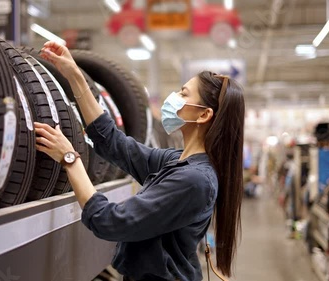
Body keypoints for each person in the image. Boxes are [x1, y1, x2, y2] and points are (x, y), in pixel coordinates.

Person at [35, 41, 245, 281]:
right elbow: (114, 143)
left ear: (204, 114)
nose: (173, 98)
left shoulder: (194, 180)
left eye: (183, 94)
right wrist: (74, 76)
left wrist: (70, 159)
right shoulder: (179, 161)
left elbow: (110, 221)